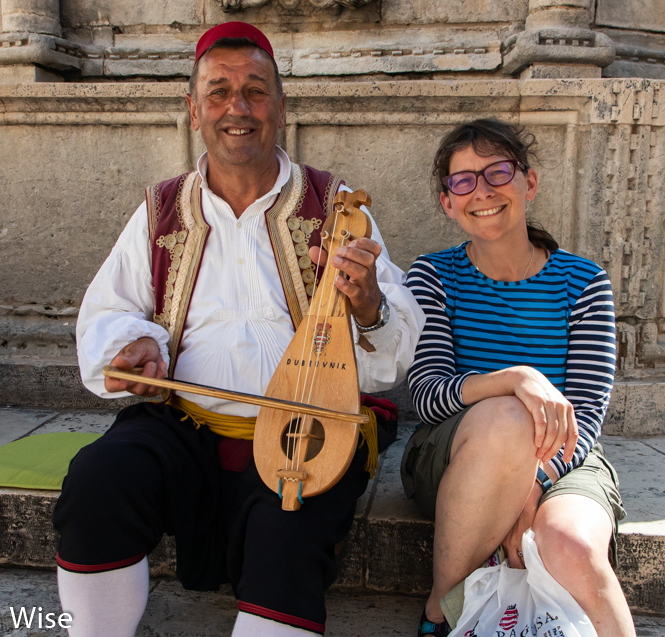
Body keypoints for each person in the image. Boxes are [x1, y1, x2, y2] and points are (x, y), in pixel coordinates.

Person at [53, 22, 424, 637]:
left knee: (287, 537)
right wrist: (138, 344)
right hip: (183, 425)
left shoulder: (336, 206)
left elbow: (393, 352)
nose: (238, 108)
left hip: (307, 434)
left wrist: (368, 309)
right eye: (219, 92)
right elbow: (107, 311)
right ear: (194, 109)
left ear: (280, 106)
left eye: (255, 91)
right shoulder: (161, 208)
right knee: (97, 482)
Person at [400, 119, 636, 637]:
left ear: (528, 183)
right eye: (463, 181)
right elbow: (427, 397)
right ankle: (440, 610)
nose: (481, 191)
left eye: (497, 173)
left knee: (570, 544)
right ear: (448, 202)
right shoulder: (433, 275)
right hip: (456, 455)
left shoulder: (584, 282)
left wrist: (532, 485)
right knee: (509, 416)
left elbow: (588, 413)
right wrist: (516, 379)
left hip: (564, 458)